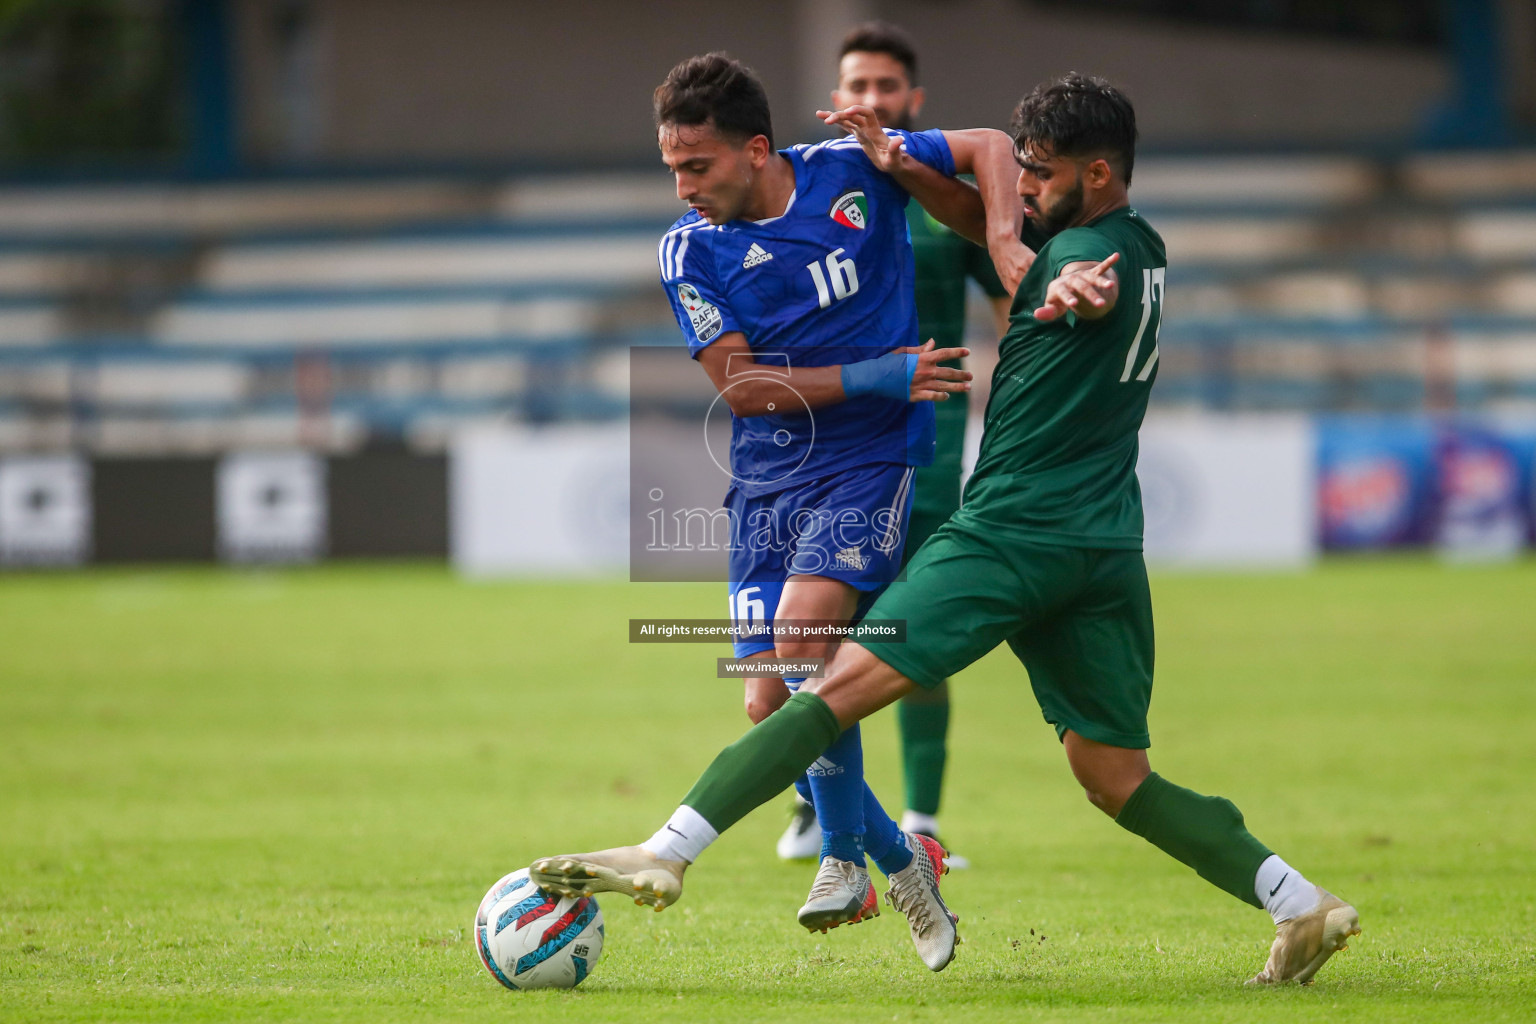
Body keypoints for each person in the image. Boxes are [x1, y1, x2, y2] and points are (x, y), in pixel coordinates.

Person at [533, 73, 1361, 984]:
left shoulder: (1081, 262)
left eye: (1039, 176)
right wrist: (915, 173)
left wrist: (1056, 285)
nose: (1022, 192)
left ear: (1093, 175)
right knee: (1116, 776)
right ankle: (1298, 902)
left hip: (1012, 531)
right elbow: (986, 219)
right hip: (1104, 540)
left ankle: (671, 847)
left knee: (826, 686)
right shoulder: (1141, 243)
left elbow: (1063, 283)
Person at [644, 52, 1025, 952]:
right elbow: (740, 389)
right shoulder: (688, 250)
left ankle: (844, 859)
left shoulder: (853, 170)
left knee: (806, 643)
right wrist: (879, 372)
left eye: (697, 167)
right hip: (768, 477)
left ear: (758, 149)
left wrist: (1004, 237)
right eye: (672, 169)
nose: (682, 188)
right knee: (767, 703)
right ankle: (904, 867)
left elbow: (993, 145)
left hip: (870, 458)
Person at [775, 21, 1015, 871]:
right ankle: (821, 799)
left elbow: (1010, 300)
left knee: (909, 632)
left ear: (912, 100)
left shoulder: (941, 209)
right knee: (796, 636)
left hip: (927, 449)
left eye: (886, 88)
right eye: (857, 87)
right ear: (837, 99)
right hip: (825, 451)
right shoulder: (808, 197)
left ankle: (920, 813)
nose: (870, 101)